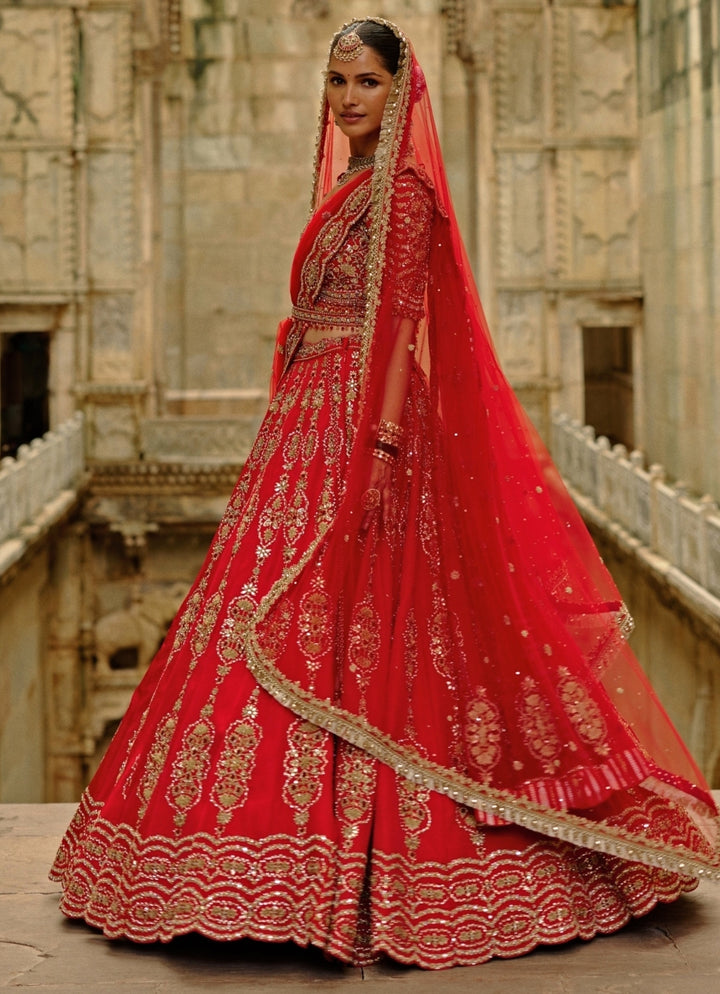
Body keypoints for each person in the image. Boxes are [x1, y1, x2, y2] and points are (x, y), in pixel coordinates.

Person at [51, 17, 719, 969]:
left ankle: (363, 868)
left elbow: (401, 320)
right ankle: (234, 861)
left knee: (361, 629)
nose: (350, 98)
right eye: (337, 82)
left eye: (366, 80)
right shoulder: (352, 186)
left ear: (399, 88)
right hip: (307, 414)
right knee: (263, 613)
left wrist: (386, 435)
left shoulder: (401, 192)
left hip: (361, 422)